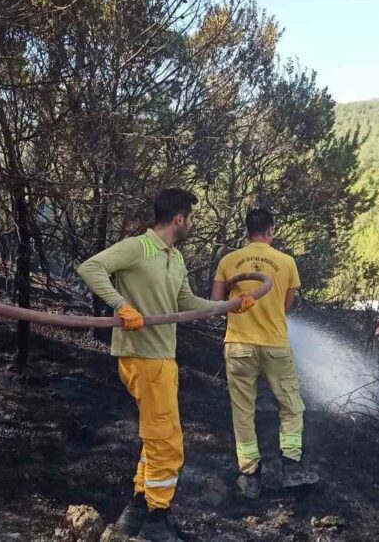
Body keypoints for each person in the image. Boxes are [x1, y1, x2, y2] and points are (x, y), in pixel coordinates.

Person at [78, 189, 255, 542]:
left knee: (155, 437)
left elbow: (186, 301)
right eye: (190, 218)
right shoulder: (138, 247)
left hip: (163, 358)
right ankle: (158, 521)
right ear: (179, 219)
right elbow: (91, 267)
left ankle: (138, 510)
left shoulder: (174, 258)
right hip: (143, 358)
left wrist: (228, 307)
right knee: (168, 442)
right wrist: (121, 304)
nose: (190, 224)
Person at [211, 207, 316, 498]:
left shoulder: (229, 260)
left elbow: (216, 304)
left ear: (247, 232)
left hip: (238, 347)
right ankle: (292, 466)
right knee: (291, 405)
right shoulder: (286, 262)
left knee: (243, 411)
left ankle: (250, 475)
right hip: (275, 346)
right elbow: (285, 306)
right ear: (271, 230)